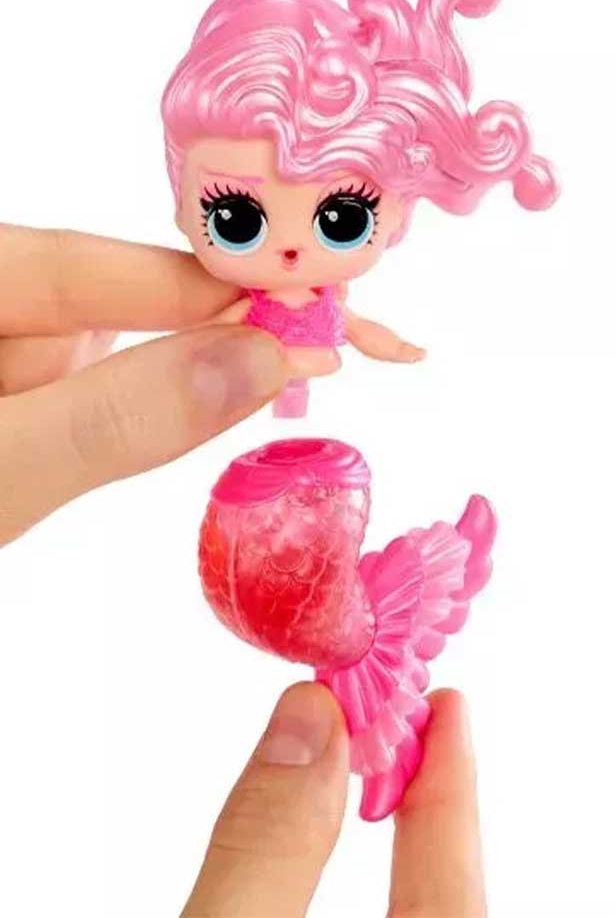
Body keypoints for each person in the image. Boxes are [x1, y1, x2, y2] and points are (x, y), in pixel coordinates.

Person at [0, 221, 486, 917]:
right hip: (270, 427)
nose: (291, 246)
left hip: (301, 436)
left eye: (341, 218)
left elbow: (357, 329)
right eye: (236, 218)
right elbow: (219, 328)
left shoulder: (326, 306)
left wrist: (396, 347)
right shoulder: (257, 309)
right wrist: (200, 364)